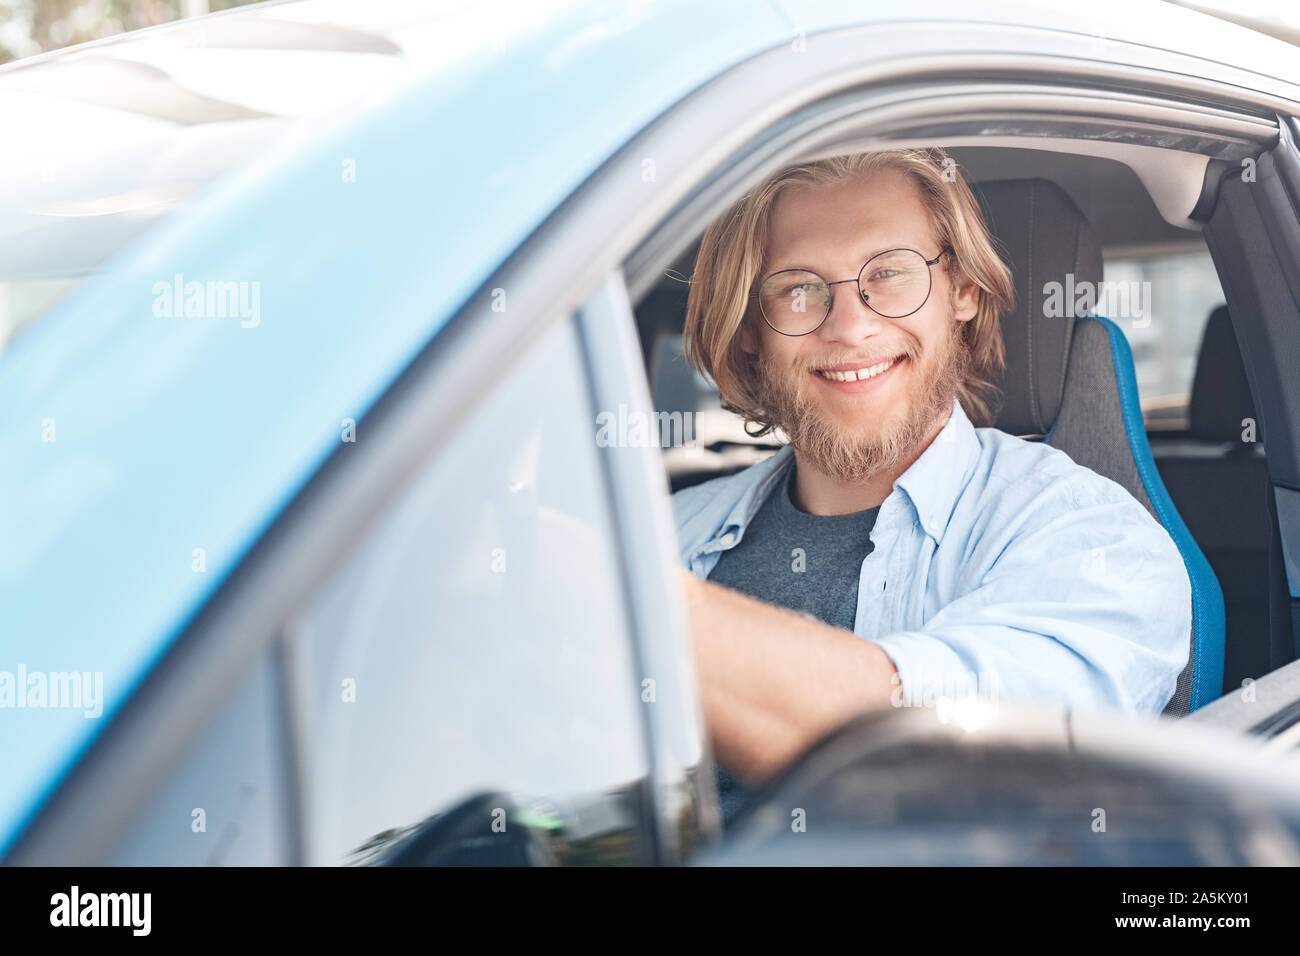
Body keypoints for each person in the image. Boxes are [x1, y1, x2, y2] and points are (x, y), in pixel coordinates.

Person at [670, 148, 1191, 822]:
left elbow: (959, 768)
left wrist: (626, 603)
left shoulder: (1094, 541)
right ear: (748, 334)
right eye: (798, 287)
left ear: (964, 293)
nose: (851, 327)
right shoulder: (670, 533)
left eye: (889, 274)